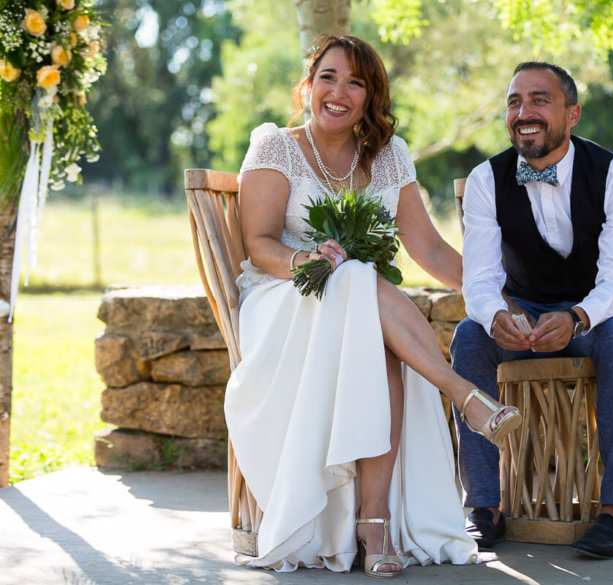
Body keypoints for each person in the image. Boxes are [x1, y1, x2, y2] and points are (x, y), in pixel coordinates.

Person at [224, 35, 521, 576]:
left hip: (357, 308)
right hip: (285, 301)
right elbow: (260, 245)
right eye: (328, 77)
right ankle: (461, 394)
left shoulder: (389, 156)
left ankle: (374, 522)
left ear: (371, 97)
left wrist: (495, 300)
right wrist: (308, 259)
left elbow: (428, 248)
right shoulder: (275, 147)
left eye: (355, 83)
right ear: (308, 86)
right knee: (359, 281)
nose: (338, 92)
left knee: (372, 322)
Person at [450, 61, 613, 559]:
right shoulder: (485, 179)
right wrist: (496, 316)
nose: (524, 112)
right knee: (469, 336)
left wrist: (578, 317)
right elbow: (479, 280)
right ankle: (484, 507)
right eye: (515, 102)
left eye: (540, 100)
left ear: (572, 114)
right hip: (525, 313)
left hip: (605, 313)